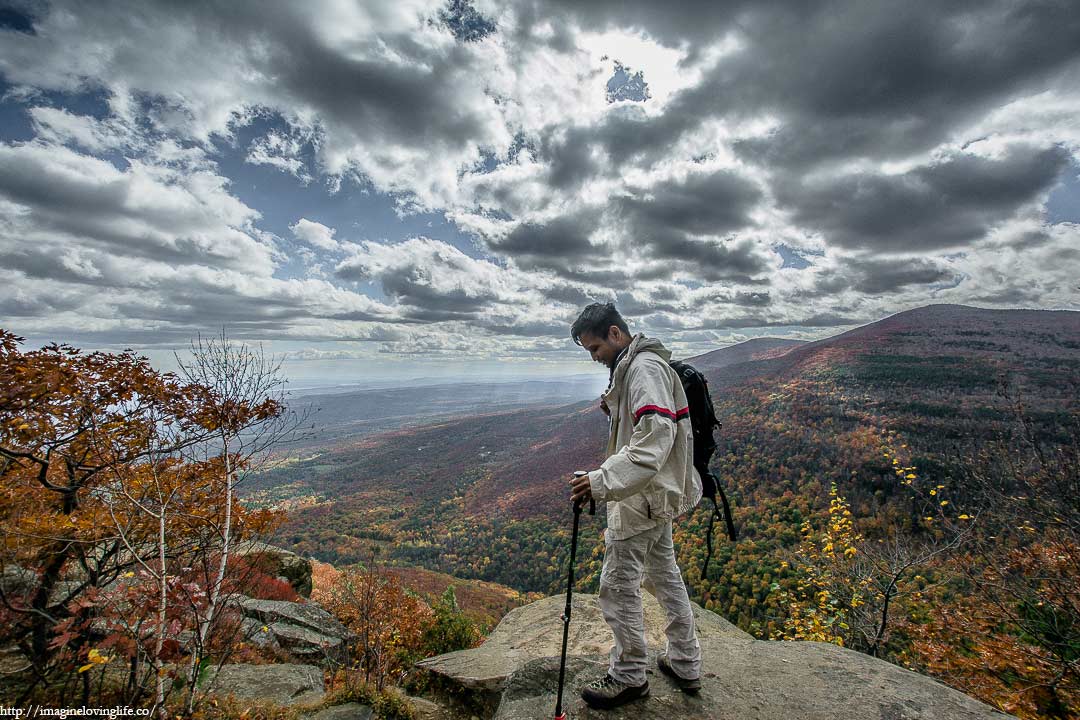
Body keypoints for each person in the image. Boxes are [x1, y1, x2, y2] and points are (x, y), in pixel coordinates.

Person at [568, 302, 704, 710]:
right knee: (665, 576)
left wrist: (599, 482)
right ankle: (685, 661)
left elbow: (653, 441)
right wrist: (615, 406)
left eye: (595, 348)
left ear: (615, 333)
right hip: (656, 495)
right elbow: (647, 428)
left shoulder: (643, 369)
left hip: (640, 499)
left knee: (617, 586)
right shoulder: (639, 367)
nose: (594, 358)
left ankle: (629, 676)